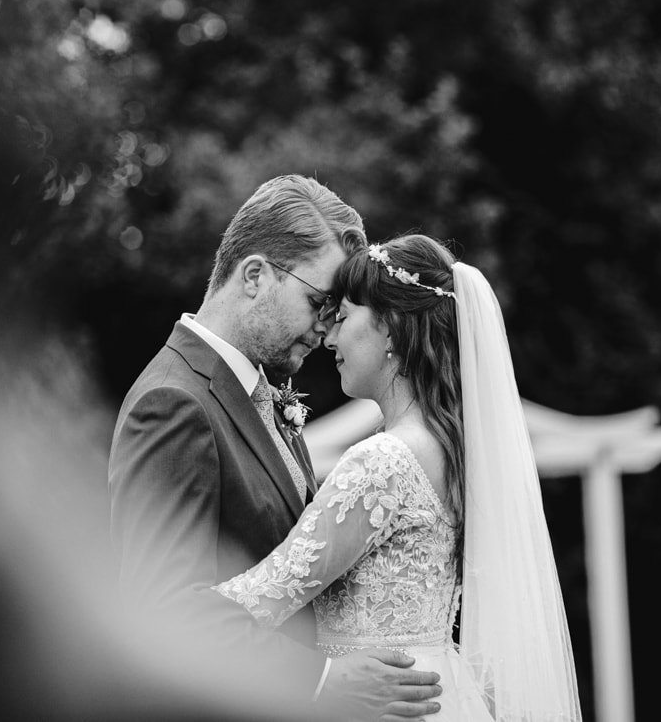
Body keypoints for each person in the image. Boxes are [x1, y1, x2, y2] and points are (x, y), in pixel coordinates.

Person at [108, 176, 444, 721]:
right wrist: (321, 679)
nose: (326, 327)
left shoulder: (261, 394)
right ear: (256, 275)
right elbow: (160, 610)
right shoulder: (174, 402)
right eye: (318, 302)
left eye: (336, 310)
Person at [214, 234, 583, 721]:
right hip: (441, 693)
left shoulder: (385, 462)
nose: (328, 339)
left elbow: (265, 595)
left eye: (342, 318)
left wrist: (149, 608)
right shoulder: (452, 447)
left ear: (390, 329)